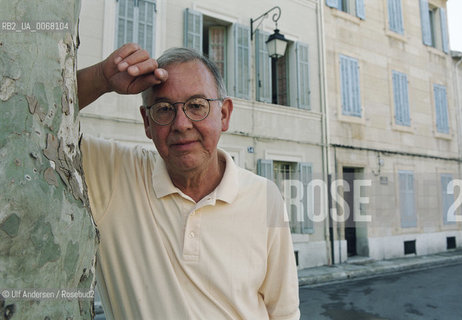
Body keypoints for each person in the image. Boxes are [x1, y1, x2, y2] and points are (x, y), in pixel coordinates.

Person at [77, 43, 300, 320]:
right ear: (147, 122)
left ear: (224, 114)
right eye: (164, 109)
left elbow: (284, 312)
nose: (181, 123)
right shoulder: (114, 175)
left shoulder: (265, 196)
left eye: (197, 105)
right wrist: (101, 78)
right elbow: (22, 120)